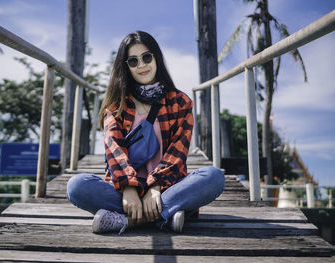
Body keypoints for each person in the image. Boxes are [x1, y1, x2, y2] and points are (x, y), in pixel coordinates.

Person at [67, 31, 225, 234]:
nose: (141, 65)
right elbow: (116, 155)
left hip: (166, 188)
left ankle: (130, 220)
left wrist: (155, 187)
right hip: (125, 192)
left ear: (156, 58)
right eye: (133, 61)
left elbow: (177, 154)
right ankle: (166, 216)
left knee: (213, 177)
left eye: (146, 57)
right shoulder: (115, 109)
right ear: (126, 67)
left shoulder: (180, 103)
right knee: (77, 186)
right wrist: (129, 188)